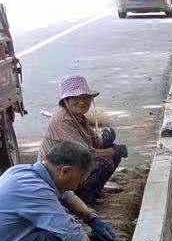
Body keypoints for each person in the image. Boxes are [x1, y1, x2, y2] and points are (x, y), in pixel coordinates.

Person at [40, 75, 127, 203]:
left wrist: (105, 140)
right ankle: (84, 198)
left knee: (112, 152)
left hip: (70, 163)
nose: (82, 102)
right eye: (76, 98)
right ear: (66, 100)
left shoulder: (78, 117)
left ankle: (94, 192)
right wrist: (113, 150)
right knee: (105, 161)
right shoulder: (63, 120)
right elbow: (86, 153)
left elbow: (94, 141)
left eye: (86, 98)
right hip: (56, 173)